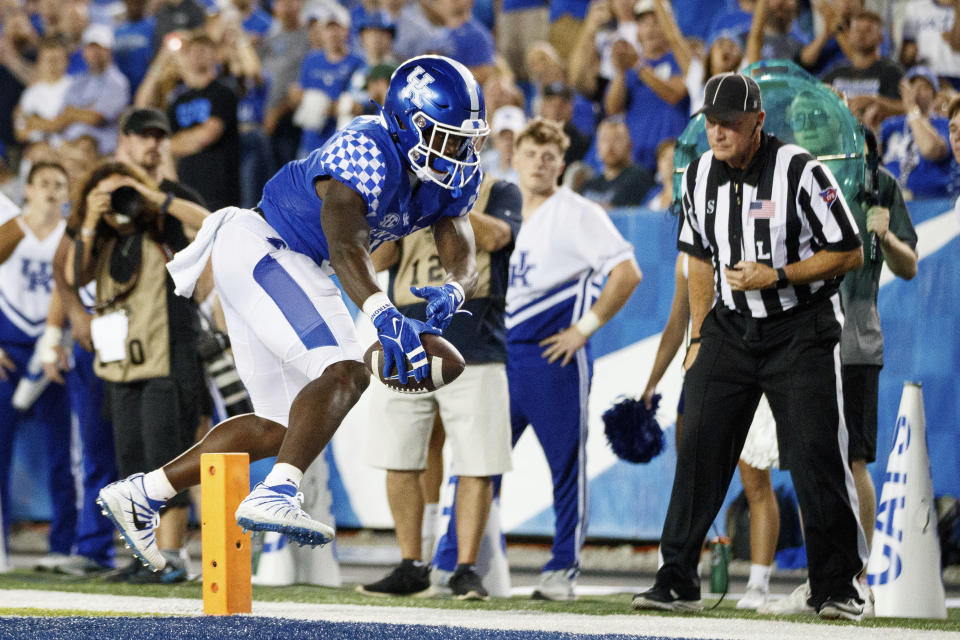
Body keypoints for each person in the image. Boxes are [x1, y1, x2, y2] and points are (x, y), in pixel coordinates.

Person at [95, 55, 489, 574]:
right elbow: (344, 241)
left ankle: (144, 492)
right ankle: (278, 491)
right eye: (446, 137)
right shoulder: (366, 146)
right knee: (347, 369)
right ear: (407, 121)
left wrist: (456, 289)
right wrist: (382, 312)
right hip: (270, 248)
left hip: (278, 258)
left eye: (466, 139)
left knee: (284, 425)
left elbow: (457, 233)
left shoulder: (446, 172)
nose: (459, 151)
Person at [632, 72, 868, 620]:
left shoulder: (801, 172)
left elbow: (849, 251)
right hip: (730, 328)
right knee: (699, 451)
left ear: (758, 123)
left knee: (815, 455)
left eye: (731, 125)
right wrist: (696, 334)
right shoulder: (695, 177)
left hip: (801, 327)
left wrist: (778, 274)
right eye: (712, 123)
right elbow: (695, 258)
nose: (719, 133)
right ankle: (677, 578)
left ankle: (836, 585)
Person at [759, 87, 920, 618]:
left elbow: (908, 265)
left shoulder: (879, 184)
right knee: (812, 460)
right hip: (804, 338)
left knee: (851, 461)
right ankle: (823, 575)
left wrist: (888, 238)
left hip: (854, 341)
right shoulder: (797, 181)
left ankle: (859, 578)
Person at [359, 173, 520, 600]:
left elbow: (499, 237)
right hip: (406, 333)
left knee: (477, 461)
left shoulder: (499, 188)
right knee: (399, 454)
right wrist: (400, 209)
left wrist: (446, 197)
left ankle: (465, 568)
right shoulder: (404, 184)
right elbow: (378, 259)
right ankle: (413, 564)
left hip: (475, 337)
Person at [507, 118, 642, 600]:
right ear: (514, 157)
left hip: (551, 356)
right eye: (530, 154)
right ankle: (460, 561)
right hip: (500, 354)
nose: (539, 164)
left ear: (561, 164)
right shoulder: (499, 209)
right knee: (477, 463)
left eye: (548, 157)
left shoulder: (579, 212)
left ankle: (563, 566)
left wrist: (582, 330)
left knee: (565, 467)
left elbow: (627, 273)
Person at [0, 162, 76, 571]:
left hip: (53, 352)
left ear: (68, 194)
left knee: (62, 454)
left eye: (58, 183)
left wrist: (61, 342)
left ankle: (63, 547)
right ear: (26, 190)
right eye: (43, 183)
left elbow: (76, 293)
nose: (50, 190)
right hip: (8, 348)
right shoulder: (11, 230)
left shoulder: (71, 237)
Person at [604, 0, 689, 173]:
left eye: (656, 22)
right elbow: (612, 109)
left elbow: (674, 94)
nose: (650, 29)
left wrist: (638, 66)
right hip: (636, 161)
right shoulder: (630, 65)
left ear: (669, 25)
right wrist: (620, 72)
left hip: (671, 158)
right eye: (643, 23)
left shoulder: (680, 59)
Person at [168, 34, 240, 212]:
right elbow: (166, 144)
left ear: (215, 55)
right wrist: (190, 139)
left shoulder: (223, 93)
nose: (196, 55)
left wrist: (183, 140)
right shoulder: (178, 101)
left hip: (220, 187)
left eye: (202, 50)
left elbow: (208, 134)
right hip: (186, 185)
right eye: (192, 51)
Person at [57, 24, 131, 155]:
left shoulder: (118, 82)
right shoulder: (78, 81)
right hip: (71, 147)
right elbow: (61, 115)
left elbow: (95, 118)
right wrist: (85, 110)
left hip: (101, 150)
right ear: (84, 52)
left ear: (110, 51)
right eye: (90, 48)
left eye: (100, 48)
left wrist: (73, 112)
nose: (94, 52)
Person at [880, 67, 953, 200]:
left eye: (924, 87)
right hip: (892, 203)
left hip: (930, 203)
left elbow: (930, 149)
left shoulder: (945, 124)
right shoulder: (891, 124)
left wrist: (912, 110)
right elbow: (872, 161)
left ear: (935, 95)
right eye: (912, 85)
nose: (917, 91)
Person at [822, 11, 903, 129]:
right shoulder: (835, 73)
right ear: (849, 36)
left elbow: (907, 108)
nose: (861, 35)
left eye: (868, 30)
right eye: (857, 30)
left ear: (880, 38)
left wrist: (875, 102)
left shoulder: (892, 72)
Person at [578, 116, 655, 208]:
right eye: (605, 140)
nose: (610, 146)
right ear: (597, 147)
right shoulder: (589, 185)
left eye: (617, 140)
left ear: (629, 145)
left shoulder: (639, 178)